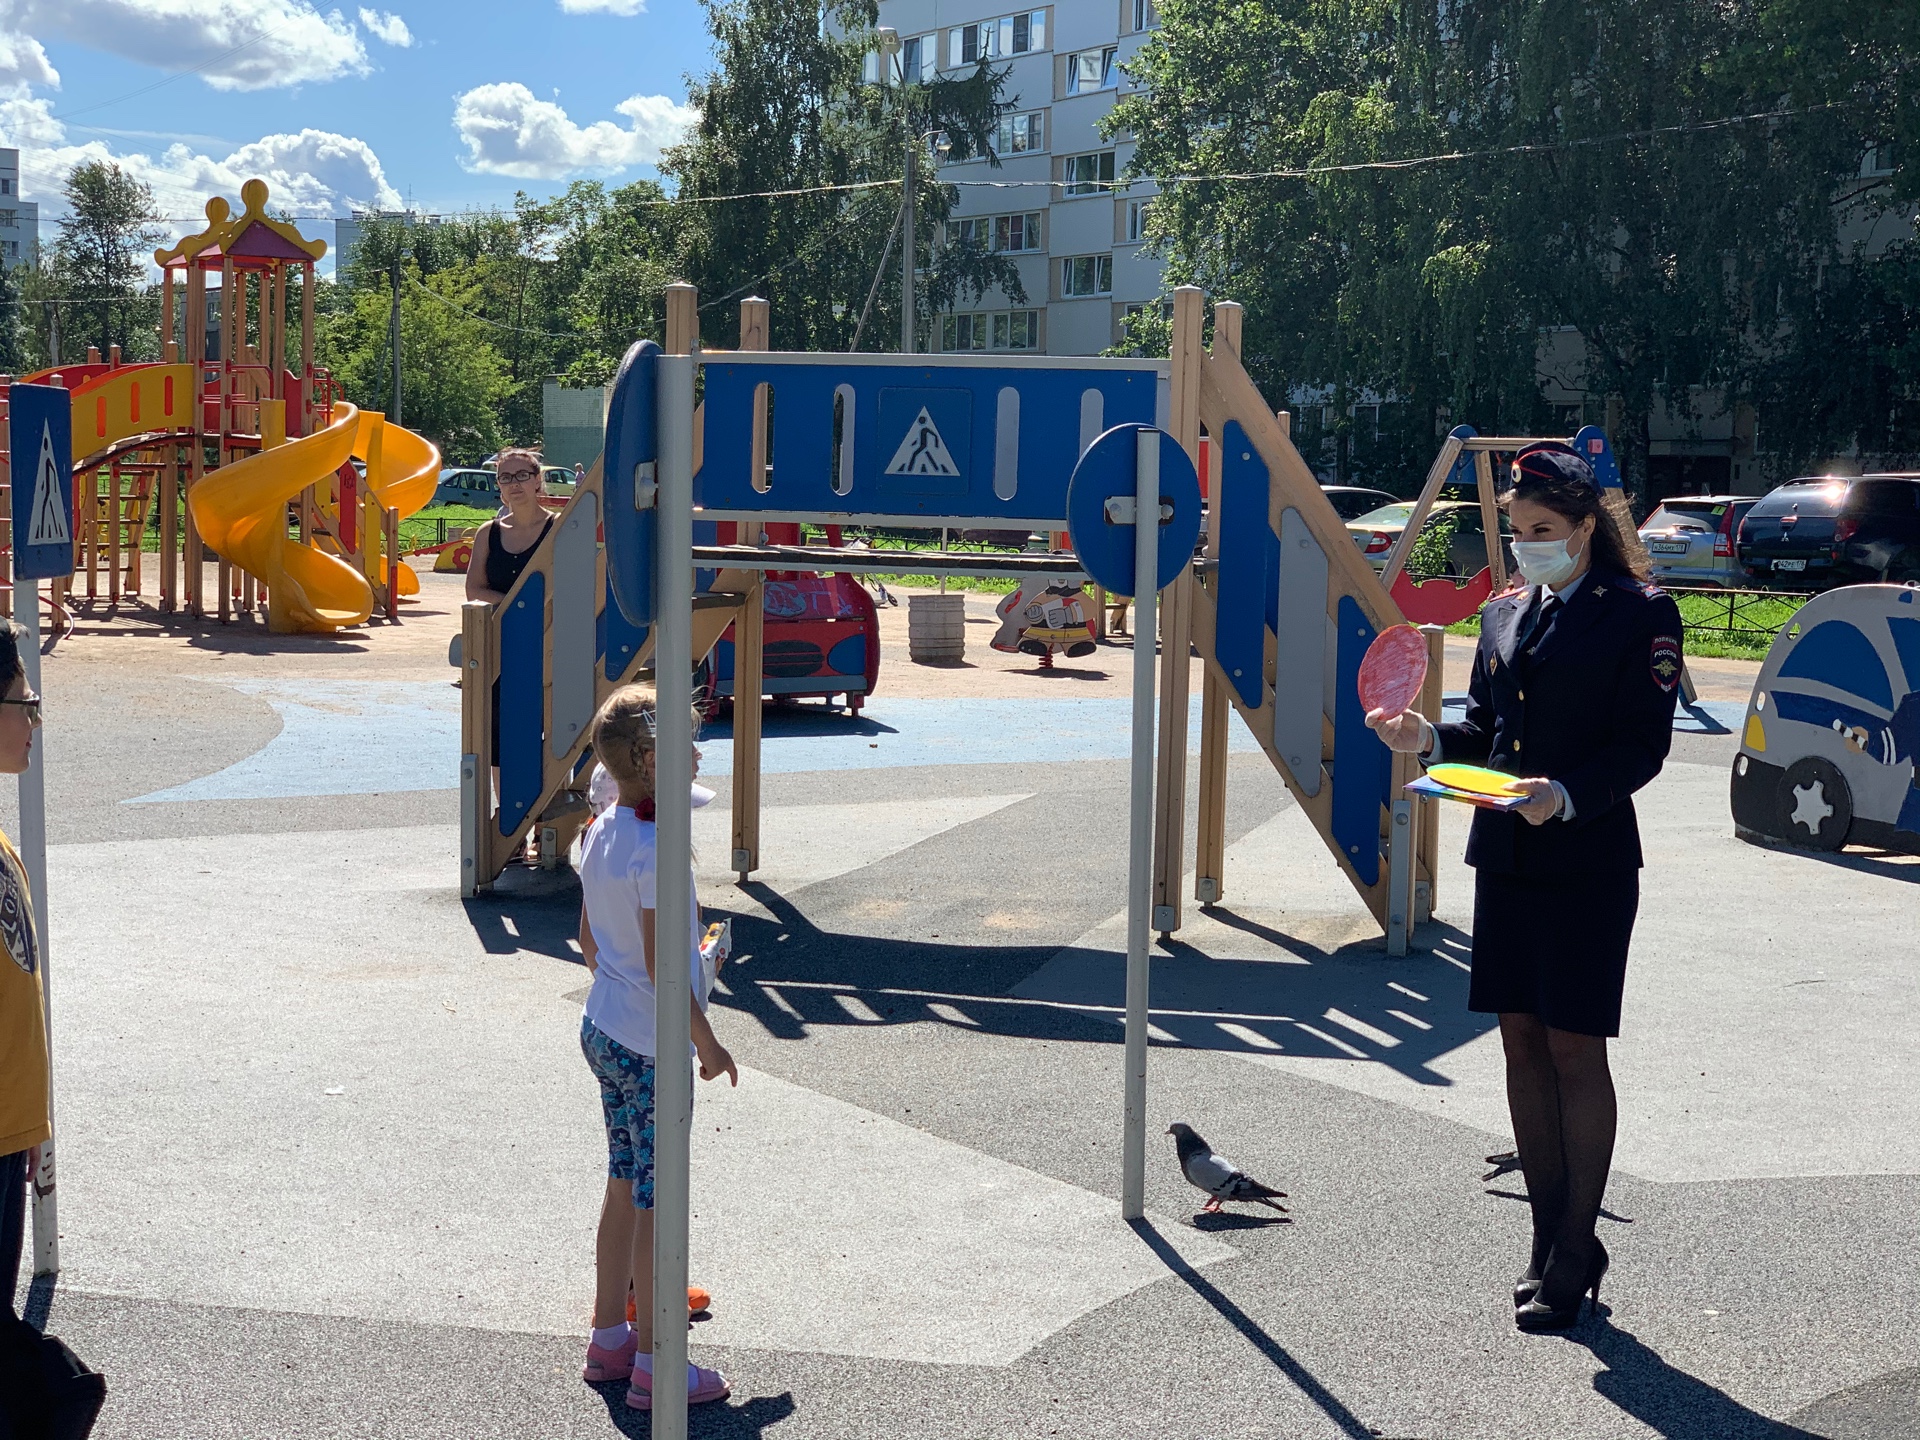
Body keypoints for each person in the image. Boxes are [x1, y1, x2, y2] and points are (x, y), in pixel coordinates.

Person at [1367, 443, 1683, 1332]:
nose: (1526, 545)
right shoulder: (1505, 611)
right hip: (1507, 855)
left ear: (1585, 527)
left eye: (1543, 529)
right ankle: (1546, 1236)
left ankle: (1577, 1246)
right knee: (1520, 1045)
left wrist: (1566, 794)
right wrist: (1426, 738)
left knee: (1576, 1049)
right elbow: (1488, 731)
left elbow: (1642, 746)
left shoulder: (1641, 613)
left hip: (1587, 859)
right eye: (1517, 530)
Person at [575, 684, 737, 1412]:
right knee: (656, 1198)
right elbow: (662, 967)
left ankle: (609, 1338)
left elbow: (591, 941)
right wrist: (708, 1042)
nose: (697, 753)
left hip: (606, 1028)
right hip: (649, 1045)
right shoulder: (656, 847)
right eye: (685, 742)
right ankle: (655, 1363)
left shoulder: (602, 829)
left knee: (622, 1184)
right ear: (648, 757)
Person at [465, 448, 555, 854]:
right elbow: (474, 588)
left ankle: (545, 825)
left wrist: (533, 613)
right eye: (506, 477)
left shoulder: (559, 528)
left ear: (538, 480)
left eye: (522, 475)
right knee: (500, 738)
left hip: (550, 647)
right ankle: (511, 825)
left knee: (549, 734)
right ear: (498, 486)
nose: (514, 484)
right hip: (502, 651)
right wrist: (518, 608)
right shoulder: (488, 533)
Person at [0, 621, 48, 1323]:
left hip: (9, 1135)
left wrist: (30, 1122)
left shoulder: (4, 845)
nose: (35, 722)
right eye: (25, 703)